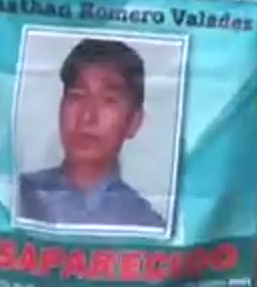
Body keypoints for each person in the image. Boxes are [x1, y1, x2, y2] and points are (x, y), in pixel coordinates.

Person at [17, 38, 165, 230]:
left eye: (109, 100)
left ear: (134, 122)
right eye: (77, 96)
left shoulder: (146, 224)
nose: (88, 116)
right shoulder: (17, 196)